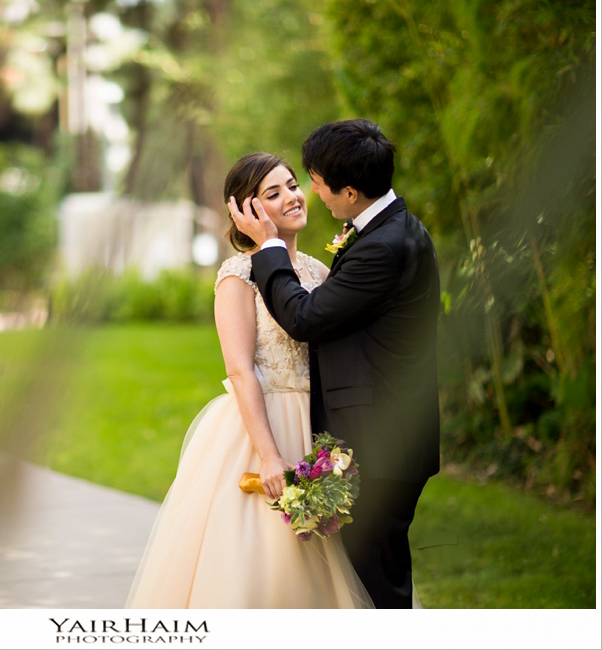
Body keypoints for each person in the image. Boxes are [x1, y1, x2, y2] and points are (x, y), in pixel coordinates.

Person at [125, 152, 372, 609]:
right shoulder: (237, 276)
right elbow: (240, 370)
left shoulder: (319, 272)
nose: (292, 197)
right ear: (246, 212)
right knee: (262, 561)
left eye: (293, 185)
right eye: (272, 193)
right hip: (262, 429)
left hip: (316, 427)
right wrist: (269, 454)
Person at [229, 119, 440, 609]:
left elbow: (304, 317)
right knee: (364, 580)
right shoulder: (385, 231)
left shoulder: (382, 248)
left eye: (313, 181)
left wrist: (270, 249)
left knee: (375, 587)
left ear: (349, 190)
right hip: (362, 434)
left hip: (381, 442)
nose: (309, 192)